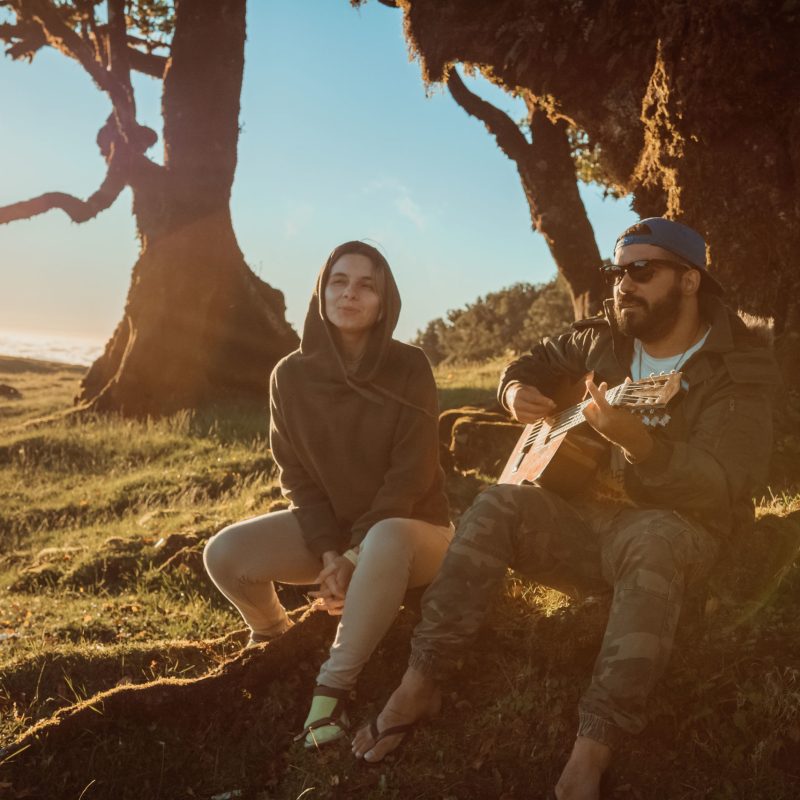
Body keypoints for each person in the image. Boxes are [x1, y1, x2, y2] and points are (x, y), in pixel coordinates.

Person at [352, 218, 779, 799]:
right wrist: (511, 392)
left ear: (689, 281)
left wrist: (642, 445)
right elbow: (529, 362)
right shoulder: (602, 338)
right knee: (495, 503)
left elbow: (722, 487)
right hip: (587, 524)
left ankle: (593, 746)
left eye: (641, 271)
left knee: (652, 541)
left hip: (677, 528)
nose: (623, 285)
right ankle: (420, 679)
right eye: (617, 272)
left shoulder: (738, 367)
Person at [204, 241, 452, 749]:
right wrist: (330, 553)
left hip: (417, 536)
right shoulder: (288, 377)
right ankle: (272, 634)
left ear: (385, 301)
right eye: (339, 281)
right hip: (337, 537)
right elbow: (297, 478)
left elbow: (411, 475)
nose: (350, 293)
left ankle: (331, 691)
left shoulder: (410, 367)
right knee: (225, 553)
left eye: (367, 285)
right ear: (322, 292)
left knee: (384, 537)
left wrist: (357, 554)